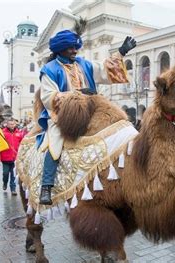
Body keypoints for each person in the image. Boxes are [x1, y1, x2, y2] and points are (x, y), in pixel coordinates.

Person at [38, 28, 137, 205]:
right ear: (60, 49)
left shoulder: (83, 64)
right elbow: (49, 98)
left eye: (76, 47)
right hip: (63, 116)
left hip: (91, 112)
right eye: (71, 48)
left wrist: (121, 52)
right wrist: (78, 94)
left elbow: (105, 71)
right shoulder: (50, 70)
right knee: (55, 143)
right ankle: (46, 186)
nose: (75, 51)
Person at [0, 119, 24, 195]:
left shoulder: (19, 133)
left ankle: (13, 189)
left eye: (13, 124)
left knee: (13, 175)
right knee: (5, 173)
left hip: (15, 158)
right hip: (5, 158)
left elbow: (22, 144)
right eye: (10, 124)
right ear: (7, 124)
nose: (12, 126)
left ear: (15, 124)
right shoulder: (2, 133)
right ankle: (5, 182)